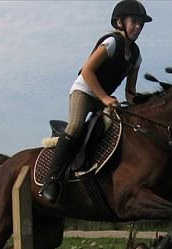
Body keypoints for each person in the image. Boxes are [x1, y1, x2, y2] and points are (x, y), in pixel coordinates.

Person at [39, 0, 152, 202]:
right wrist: (105, 98)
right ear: (120, 22)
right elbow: (87, 71)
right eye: (134, 21)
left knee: (116, 130)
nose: (138, 27)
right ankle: (51, 180)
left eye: (141, 24)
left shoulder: (136, 55)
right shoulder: (111, 43)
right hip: (84, 90)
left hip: (104, 98)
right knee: (74, 128)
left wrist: (141, 108)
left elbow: (130, 91)